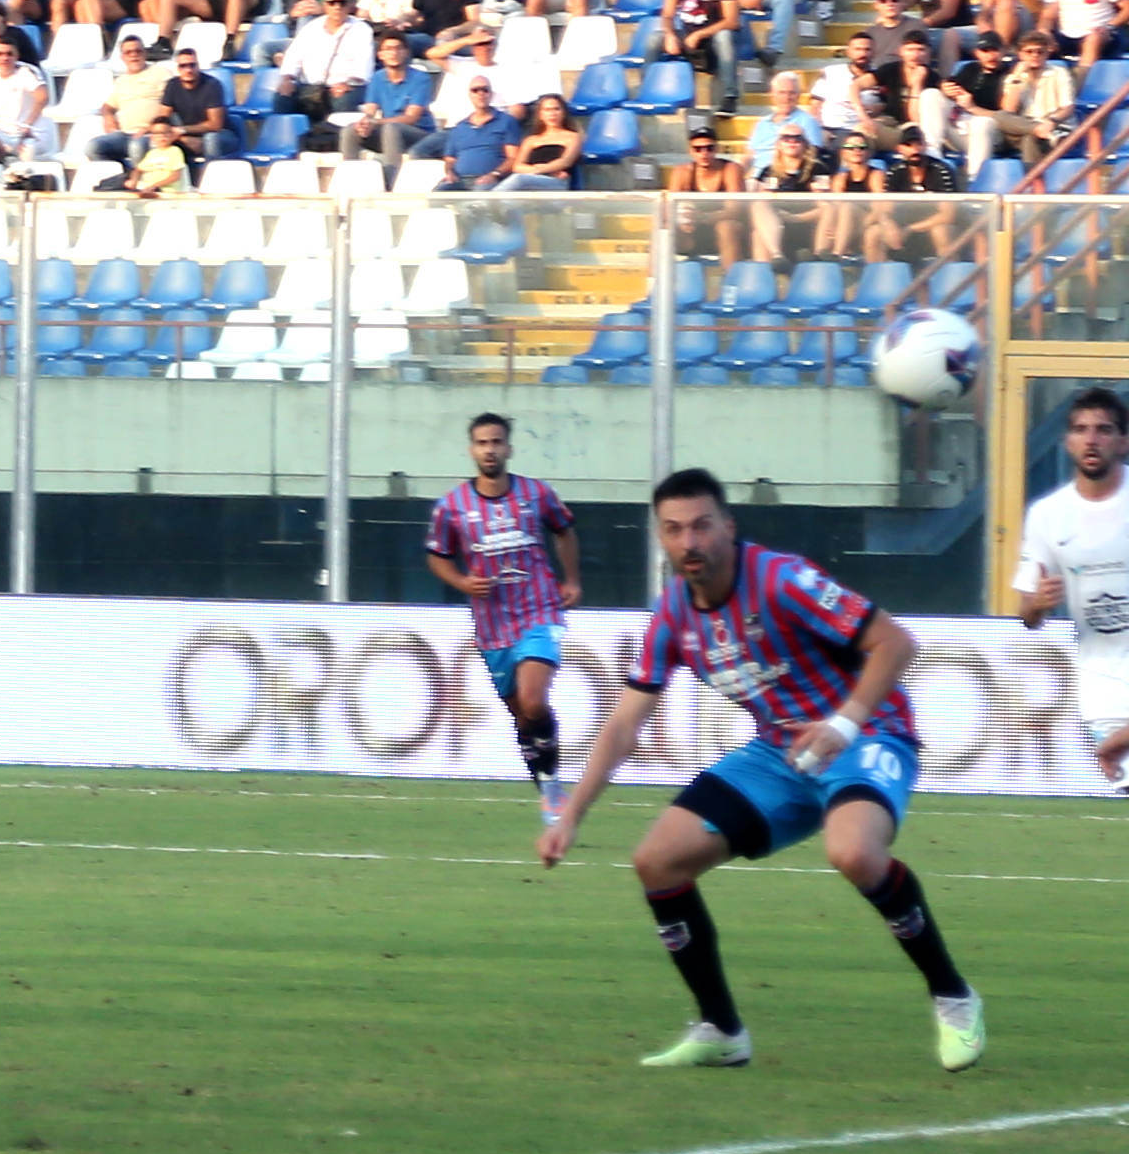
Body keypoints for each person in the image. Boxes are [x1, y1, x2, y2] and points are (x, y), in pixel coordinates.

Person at [539, 468, 984, 1073]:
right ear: (661, 538)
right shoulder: (672, 613)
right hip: (779, 753)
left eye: (701, 526)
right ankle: (721, 1030)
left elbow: (896, 644)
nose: (689, 542)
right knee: (657, 861)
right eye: (673, 530)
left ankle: (953, 996)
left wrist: (843, 725)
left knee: (854, 853)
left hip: (867, 732)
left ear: (728, 526)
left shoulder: (781, 579)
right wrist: (571, 814)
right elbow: (623, 725)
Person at [425, 414, 581, 821]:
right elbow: (437, 556)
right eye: (482, 443)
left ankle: (552, 787)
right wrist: (461, 581)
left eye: (496, 442)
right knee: (521, 716)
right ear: (471, 449)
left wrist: (572, 580)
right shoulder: (452, 506)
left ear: (509, 448)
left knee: (533, 701)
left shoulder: (535, 494)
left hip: (539, 611)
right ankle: (547, 785)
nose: (490, 449)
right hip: (492, 627)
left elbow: (564, 529)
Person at [1015, 387, 1129, 794]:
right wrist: (1039, 605)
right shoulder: (1048, 515)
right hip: (1105, 688)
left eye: (1103, 430)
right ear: (1067, 442)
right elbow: (1026, 614)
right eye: (1081, 430)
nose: (1092, 439)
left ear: (1123, 440)